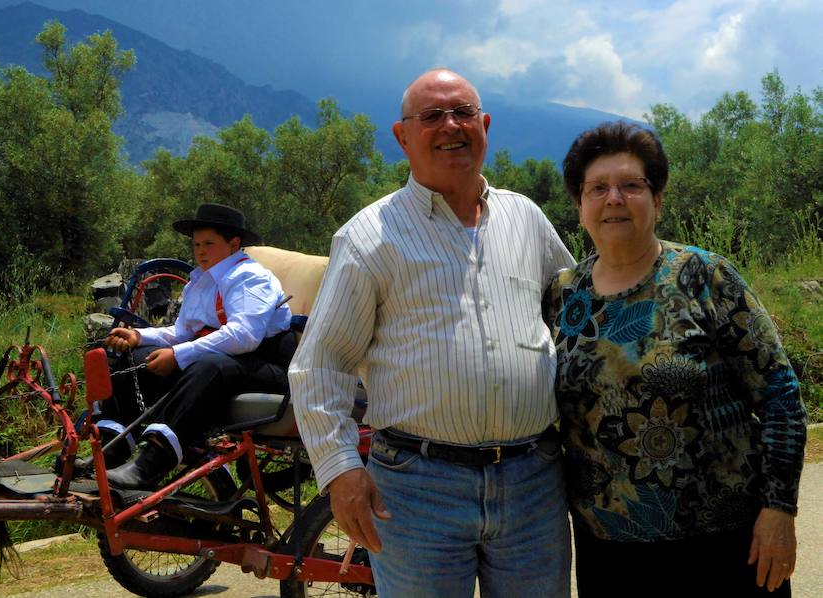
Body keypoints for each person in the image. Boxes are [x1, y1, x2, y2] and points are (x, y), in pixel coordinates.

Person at [289, 69, 575, 597]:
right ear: (402, 137)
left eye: (464, 112)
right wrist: (341, 471)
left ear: (485, 124)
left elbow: (575, 316)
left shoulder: (527, 220)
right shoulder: (367, 237)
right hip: (419, 489)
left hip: (533, 481)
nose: (451, 126)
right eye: (432, 117)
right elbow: (321, 364)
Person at [543, 121, 807, 596]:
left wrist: (779, 509)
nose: (614, 198)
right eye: (597, 188)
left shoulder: (705, 277)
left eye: (631, 185)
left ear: (658, 201)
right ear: (580, 206)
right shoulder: (564, 295)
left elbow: (781, 396)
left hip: (724, 544)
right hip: (608, 549)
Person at [99, 203, 294, 490]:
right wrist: (139, 337)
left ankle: (151, 464)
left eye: (209, 244)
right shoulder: (200, 282)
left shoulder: (250, 277)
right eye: (197, 244)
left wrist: (178, 355)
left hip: (268, 364)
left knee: (209, 366)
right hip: (228, 361)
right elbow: (182, 332)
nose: (200, 251)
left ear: (234, 244)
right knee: (133, 358)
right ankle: (112, 450)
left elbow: (244, 336)